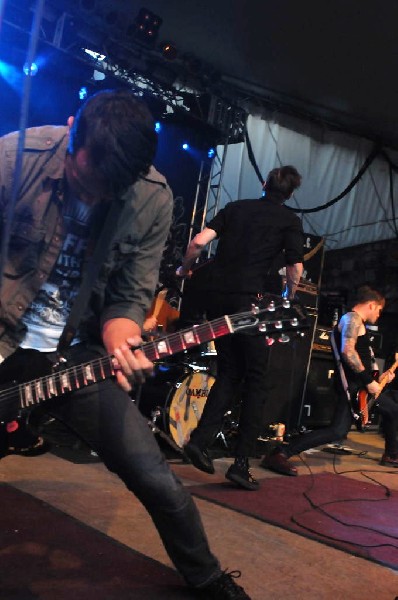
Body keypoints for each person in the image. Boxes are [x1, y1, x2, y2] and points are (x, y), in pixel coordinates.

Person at [0, 89, 251, 599]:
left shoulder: (152, 197)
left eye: (106, 192)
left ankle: (207, 577)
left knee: (154, 476)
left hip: (74, 355)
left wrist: (125, 342)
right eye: (82, 182)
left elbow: (128, 298)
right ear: (73, 133)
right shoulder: (13, 158)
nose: (91, 200)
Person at [176, 165, 304, 490]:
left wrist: (184, 270)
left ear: (264, 184)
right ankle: (241, 464)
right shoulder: (289, 220)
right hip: (246, 302)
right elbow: (295, 267)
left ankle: (200, 441)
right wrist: (289, 295)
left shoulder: (235, 208)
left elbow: (198, 242)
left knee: (232, 370)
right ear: (289, 194)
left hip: (215, 298)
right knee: (258, 379)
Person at [263, 285, 398, 475]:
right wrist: (368, 381)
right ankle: (280, 453)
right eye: (379, 309)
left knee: (391, 410)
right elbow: (347, 351)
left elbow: (361, 359)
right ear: (370, 304)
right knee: (336, 431)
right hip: (352, 387)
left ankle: (392, 454)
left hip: (360, 386)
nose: (379, 314)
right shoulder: (352, 319)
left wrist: (381, 377)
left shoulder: (358, 323)